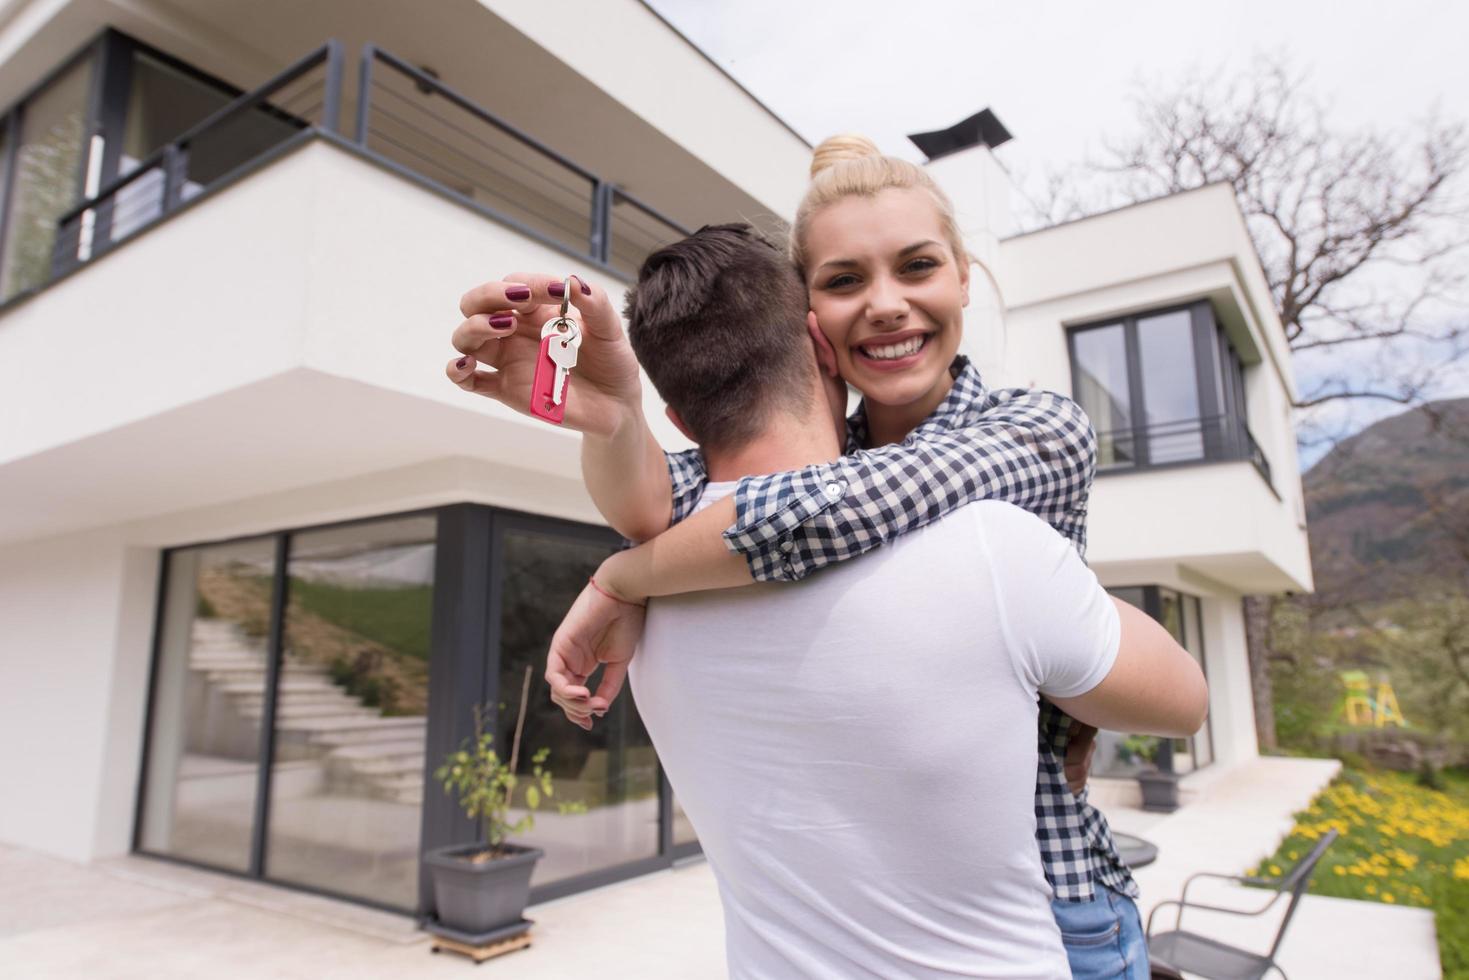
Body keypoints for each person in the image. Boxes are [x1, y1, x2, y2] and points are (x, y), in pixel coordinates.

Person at [447, 136, 1180, 976]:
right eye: (843, 281)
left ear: (965, 275)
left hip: (1056, 896)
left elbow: (825, 511)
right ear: (812, 329)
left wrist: (622, 577)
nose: (886, 304)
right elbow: (663, 504)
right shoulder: (814, 459)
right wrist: (615, 415)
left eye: (917, 267)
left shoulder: (1038, 428)